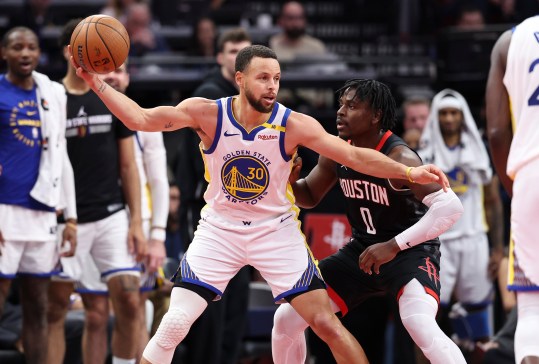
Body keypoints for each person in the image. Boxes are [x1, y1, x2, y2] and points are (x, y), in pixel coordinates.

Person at [68, 44, 449, 364]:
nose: (272, 86)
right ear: (240, 79)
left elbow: (357, 158)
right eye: (263, 77)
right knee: (173, 324)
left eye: (277, 79)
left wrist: (411, 173)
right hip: (220, 229)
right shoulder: (207, 113)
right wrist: (95, 82)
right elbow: (139, 118)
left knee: (327, 325)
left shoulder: (293, 123)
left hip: (275, 231)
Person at [271, 78, 466, 364]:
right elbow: (309, 195)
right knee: (287, 318)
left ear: (375, 115)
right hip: (361, 250)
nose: (341, 112)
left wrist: (394, 246)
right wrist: (289, 182)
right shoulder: (338, 150)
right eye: (341, 105)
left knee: (419, 324)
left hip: (409, 252)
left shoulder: (399, 157)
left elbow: (450, 208)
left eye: (352, 106)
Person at [46, 19, 146, 364]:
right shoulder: (51, 99)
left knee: (131, 301)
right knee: (58, 307)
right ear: (69, 52)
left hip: (111, 214)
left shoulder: (110, 98)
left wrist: (137, 222)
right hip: (65, 218)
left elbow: (129, 166)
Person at [75, 61, 170, 361]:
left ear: (128, 77)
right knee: (95, 316)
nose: (114, 76)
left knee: (136, 309)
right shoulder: (83, 113)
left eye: (120, 70)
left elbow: (158, 182)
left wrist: (156, 235)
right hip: (91, 218)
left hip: (134, 227)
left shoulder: (145, 121)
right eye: (107, 70)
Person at [0, 26, 77, 364]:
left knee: (38, 306)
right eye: (18, 47)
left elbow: (61, 156)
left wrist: (70, 216)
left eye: (31, 47)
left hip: (43, 210)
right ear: (4, 53)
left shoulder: (51, 94)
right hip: (5, 210)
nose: (26, 54)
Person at [176, 27, 252, 364]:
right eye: (234, 51)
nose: (240, 58)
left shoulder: (255, 101)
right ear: (221, 57)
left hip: (242, 217)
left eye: (246, 52)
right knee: (209, 302)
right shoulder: (210, 97)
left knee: (235, 301)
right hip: (207, 212)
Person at [418, 89, 504, 355]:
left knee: (478, 319)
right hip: (438, 242)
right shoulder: (423, 150)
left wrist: (498, 248)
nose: (449, 118)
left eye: (454, 113)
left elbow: (493, 201)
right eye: (443, 113)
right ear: (436, 117)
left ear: (462, 117)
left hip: (474, 239)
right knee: (424, 319)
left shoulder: (478, 152)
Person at [486, 15, 539, 364]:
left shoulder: (510, 39)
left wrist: (516, 188)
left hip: (530, 175)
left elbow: (496, 133)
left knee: (532, 306)